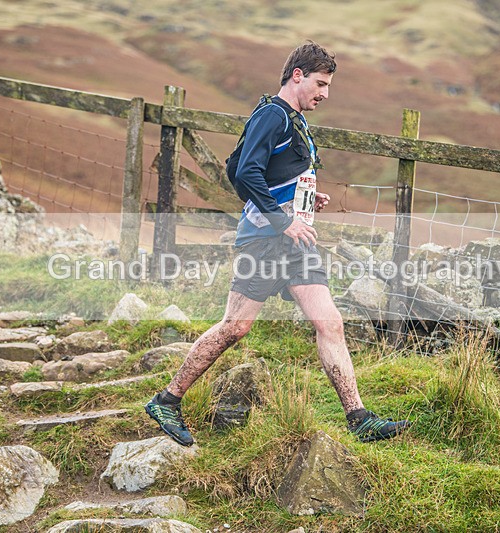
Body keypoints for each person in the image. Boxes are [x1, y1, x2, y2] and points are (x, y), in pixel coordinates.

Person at [146, 41, 410, 446]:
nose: (326, 94)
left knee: (329, 322)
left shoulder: (294, 118)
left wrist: (305, 201)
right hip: (264, 243)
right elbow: (246, 174)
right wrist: (282, 218)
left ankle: (359, 418)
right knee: (236, 327)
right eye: (321, 83)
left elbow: (275, 174)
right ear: (298, 75)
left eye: (329, 86)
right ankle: (167, 400)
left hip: (296, 243)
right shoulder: (273, 115)